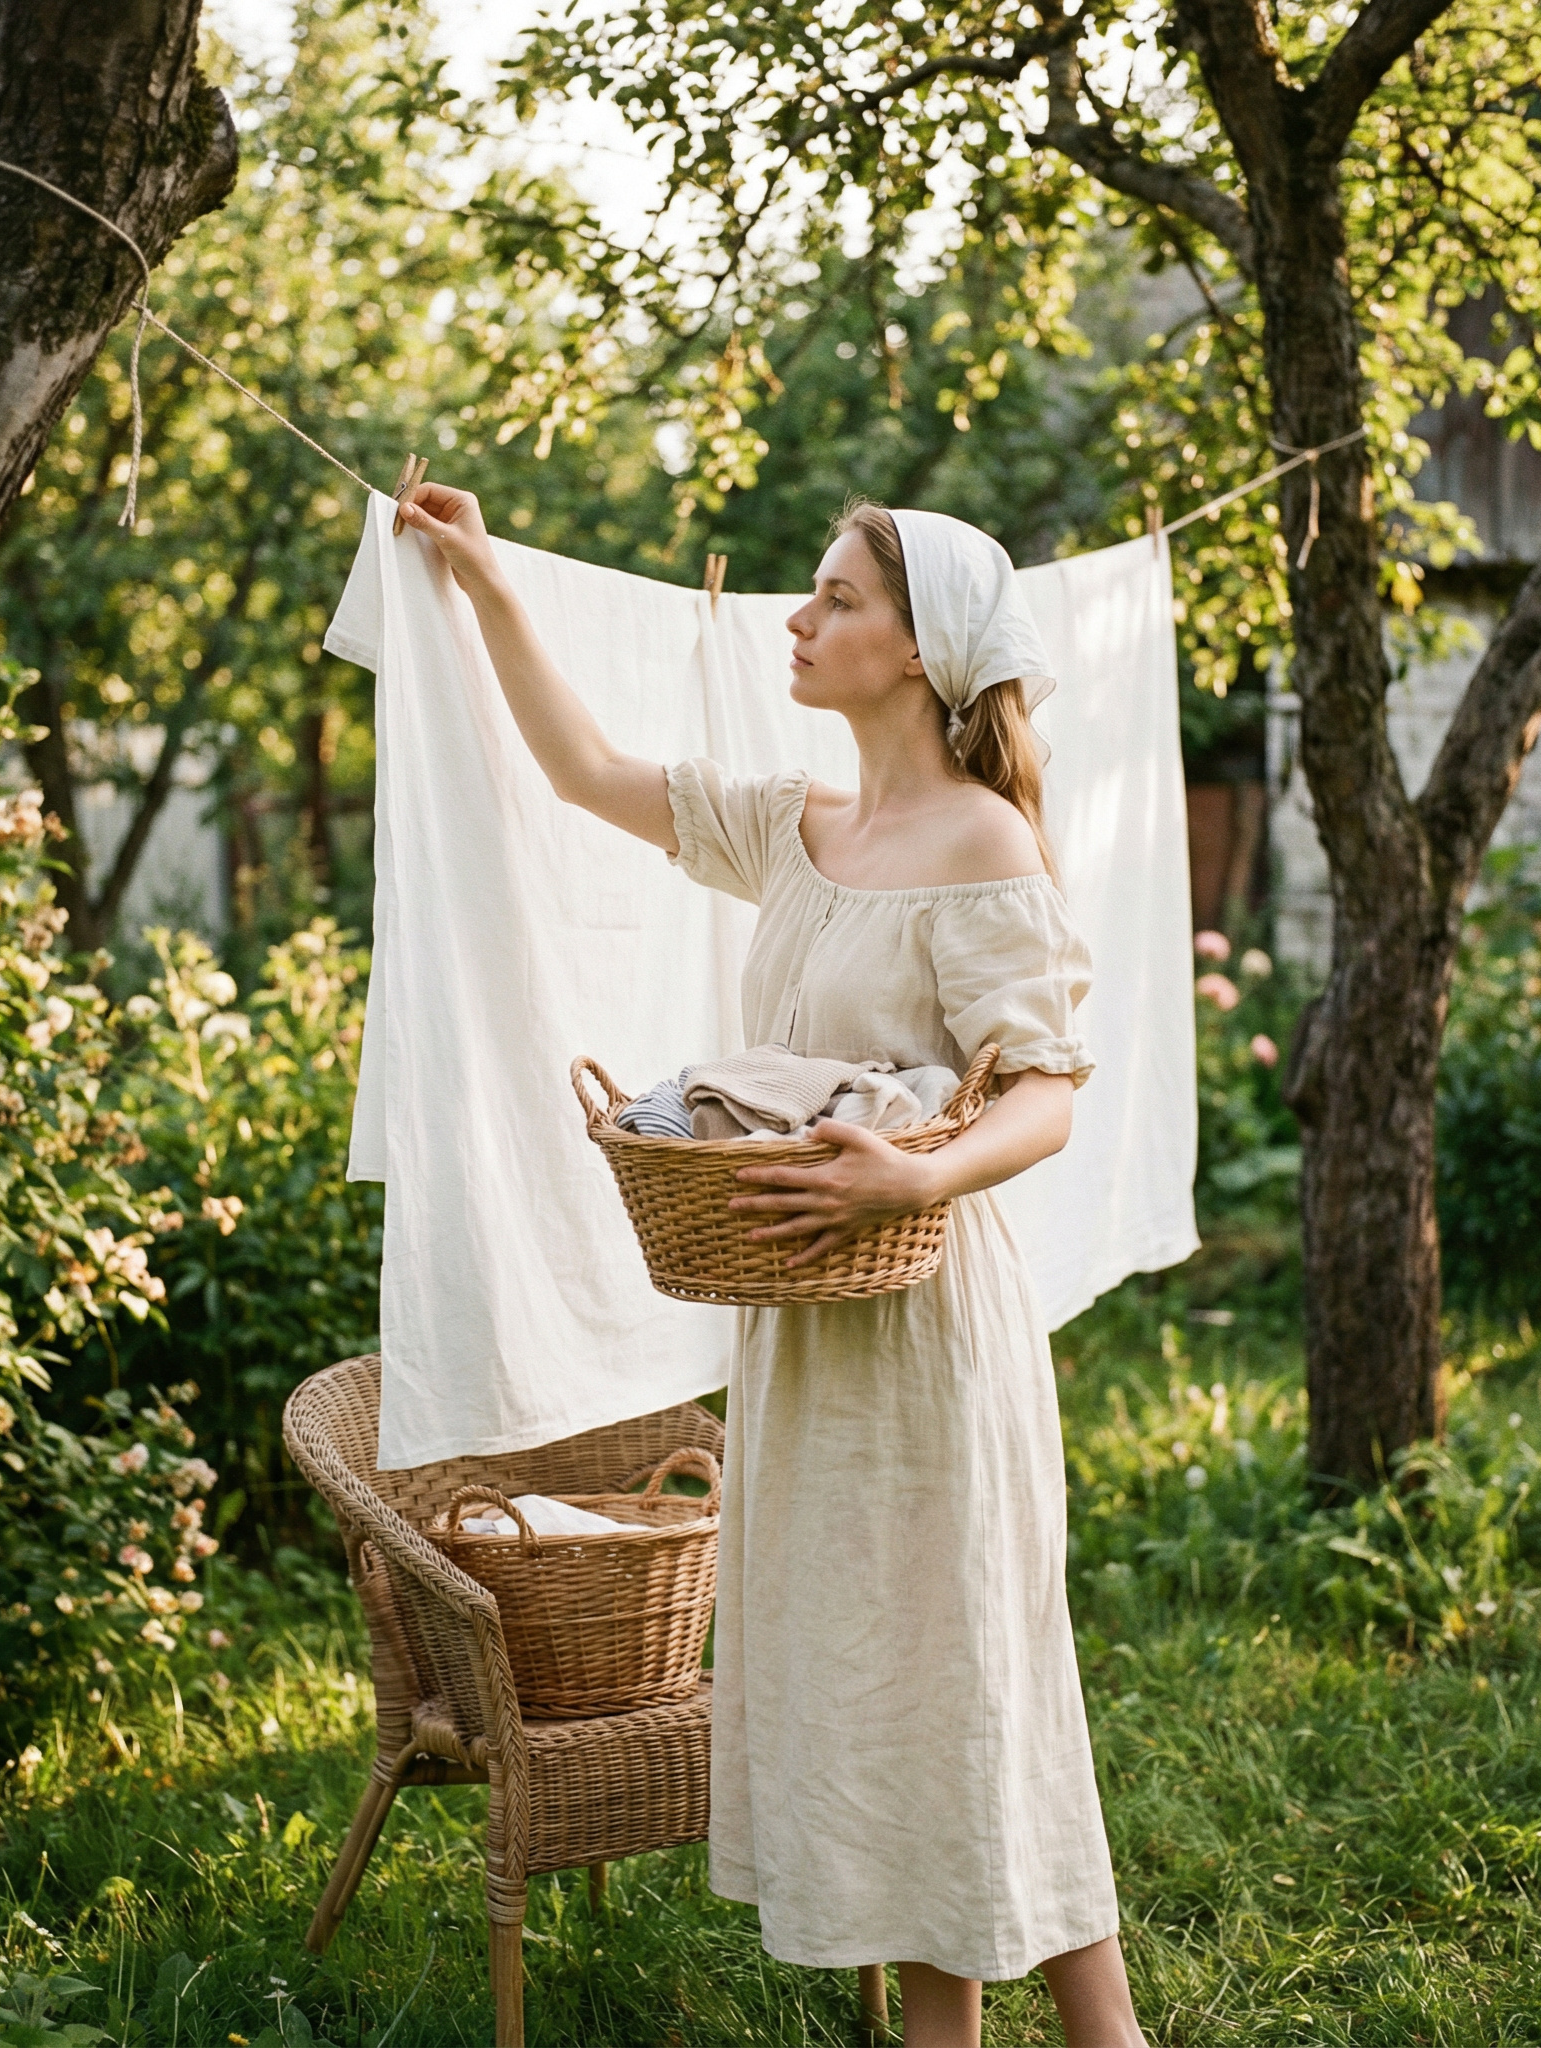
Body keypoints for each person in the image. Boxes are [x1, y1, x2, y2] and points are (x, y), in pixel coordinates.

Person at [395, 479, 1149, 2048]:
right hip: (804, 1332)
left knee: (953, 1676)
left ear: (922, 648)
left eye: (838, 599)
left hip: (926, 1326)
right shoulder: (797, 827)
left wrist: (914, 1173)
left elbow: (1047, 1094)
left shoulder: (981, 840)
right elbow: (584, 770)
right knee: (884, 1689)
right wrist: (485, 583)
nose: (799, 623)